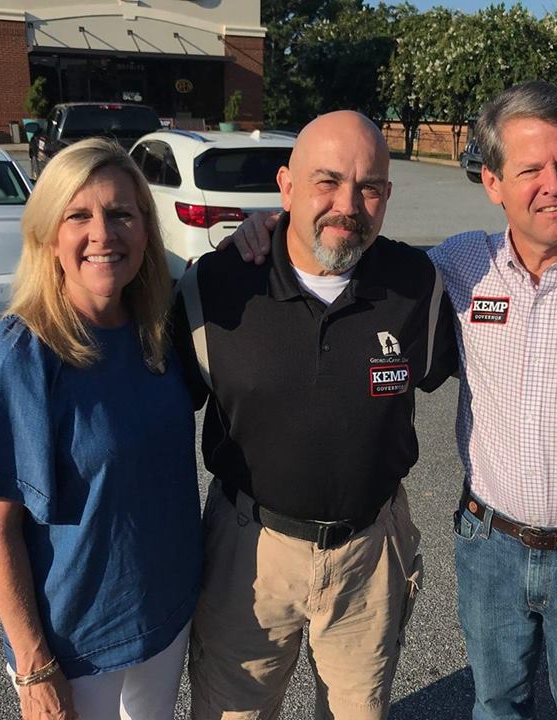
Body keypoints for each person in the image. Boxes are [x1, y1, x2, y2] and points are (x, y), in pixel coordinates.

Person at [227, 82, 557, 720]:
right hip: (488, 545)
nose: (555, 184)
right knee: (494, 703)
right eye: (530, 169)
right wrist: (272, 225)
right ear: (492, 183)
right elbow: (349, 252)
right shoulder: (461, 265)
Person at [173, 110, 457, 720]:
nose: (348, 204)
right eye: (327, 181)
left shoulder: (418, 285)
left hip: (368, 552)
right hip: (250, 553)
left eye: (370, 186)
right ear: (287, 186)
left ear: (387, 196)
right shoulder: (217, 286)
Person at [0, 138, 201, 720]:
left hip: (165, 615)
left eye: (121, 213)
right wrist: (34, 664)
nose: (103, 234)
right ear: (48, 233)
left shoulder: (156, 332)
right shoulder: (20, 355)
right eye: (79, 216)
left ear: (146, 227)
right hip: (76, 643)